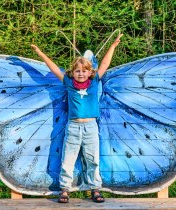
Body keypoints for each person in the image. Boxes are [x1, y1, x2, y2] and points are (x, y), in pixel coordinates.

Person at [31, 33, 123, 203]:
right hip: (73, 126)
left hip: (90, 126)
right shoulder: (69, 82)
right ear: (73, 72)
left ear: (90, 72)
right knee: (68, 157)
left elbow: (104, 63)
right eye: (78, 71)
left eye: (84, 71)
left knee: (92, 158)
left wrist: (113, 45)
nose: (81, 74)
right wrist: (40, 53)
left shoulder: (94, 82)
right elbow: (53, 69)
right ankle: (65, 188)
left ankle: (95, 188)